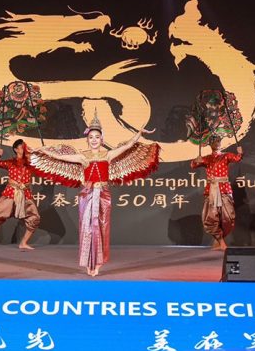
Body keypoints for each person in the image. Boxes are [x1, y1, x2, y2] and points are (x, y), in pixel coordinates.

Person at [30, 111, 160, 276]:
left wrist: (139, 133)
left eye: (97, 137)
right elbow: (59, 157)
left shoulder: (108, 155)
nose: (94, 140)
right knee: (88, 228)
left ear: (102, 139)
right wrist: (43, 151)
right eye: (91, 137)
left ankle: (97, 263)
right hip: (87, 195)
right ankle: (88, 263)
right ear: (87, 139)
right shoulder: (82, 157)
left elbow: (127, 146)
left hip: (103, 195)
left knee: (101, 228)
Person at [0, 139, 41, 250]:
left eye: (25, 147)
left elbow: (42, 165)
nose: (25, 149)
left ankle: (23, 243)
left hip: (25, 194)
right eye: (22, 147)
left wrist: (43, 153)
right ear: (16, 149)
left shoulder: (30, 163)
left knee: (34, 218)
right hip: (10, 193)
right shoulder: (11, 162)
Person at [191, 134, 243, 250]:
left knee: (228, 217)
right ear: (210, 144)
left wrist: (240, 153)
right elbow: (193, 165)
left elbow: (237, 158)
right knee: (211, 217)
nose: (217, 143)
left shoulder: (226, 156)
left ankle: (218, 241)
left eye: (219, 141)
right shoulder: (207, 158)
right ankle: (221, 242)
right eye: (214, 141)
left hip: (224, 189)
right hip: (212, 190)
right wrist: (196, 160)